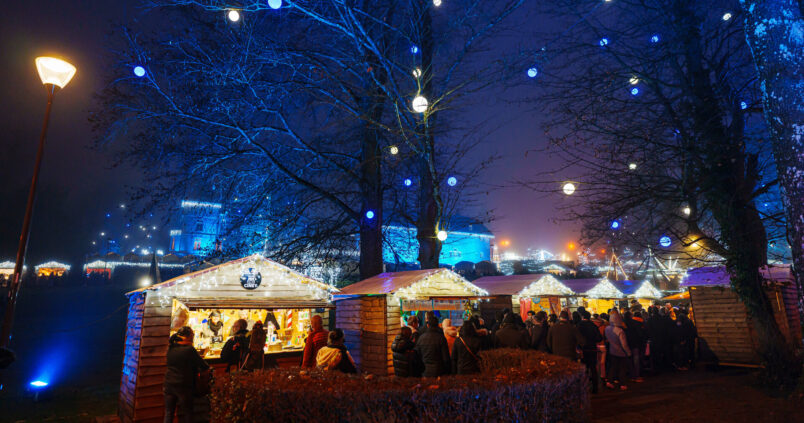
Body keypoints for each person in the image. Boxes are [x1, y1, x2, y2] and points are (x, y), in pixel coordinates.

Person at [164, 326, 209, 423]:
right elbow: (204, 366)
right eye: (193, 335)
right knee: (188, 413)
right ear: (188, 336)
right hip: (183, 385)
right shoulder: (189, 349)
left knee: (169, 413)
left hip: (169, 384)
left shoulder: (171, 347)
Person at [414, 312, 451, 377]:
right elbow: (446, 358)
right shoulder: (441, 338)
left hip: (424, 370)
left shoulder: (421, 338)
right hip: (439, 370)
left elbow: (417, 356)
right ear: (438, 325)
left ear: (428, 325)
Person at [605, 310, 631, 390]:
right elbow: (624, 344)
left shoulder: (607, 328)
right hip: (621, 352)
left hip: (612, 350)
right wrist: (628, 352)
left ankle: (610, 381)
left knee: (613, 367)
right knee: (622, 368)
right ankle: (622, 384)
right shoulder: (620, 331)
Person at [578, 310, 603, 393]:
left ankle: (584, 387)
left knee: (584, 368)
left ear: (582, 317)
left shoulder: (579, 325)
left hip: (583, 349)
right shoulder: (593, 326)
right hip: (592, 348)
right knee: (593, 368)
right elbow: (599, 338)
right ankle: (595, 388)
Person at [624, 311, 647, 382]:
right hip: (635, 344)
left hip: (627, 344)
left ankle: (631, 375)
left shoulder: (623, 323)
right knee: (636, 359)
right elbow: (640, 334)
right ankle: (636, 375)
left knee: (629, 360)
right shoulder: (637, 323)